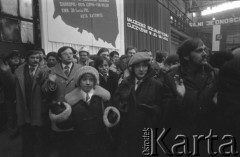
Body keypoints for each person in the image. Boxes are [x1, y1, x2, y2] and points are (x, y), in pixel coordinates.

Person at [49, 66, 120, 157]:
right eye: (84, 79)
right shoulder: (71, 100)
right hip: (79, 143)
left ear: (95, 82)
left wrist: (113, 117)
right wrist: (61, 116)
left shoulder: (103, 98)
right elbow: (68, 125)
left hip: (101, 142)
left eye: (91, 80)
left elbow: (111, 118)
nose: (88, 83)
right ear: (79, 81)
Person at [113, 52, 164, 157]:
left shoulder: (156, 85)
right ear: (132, 68)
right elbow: (115, 104)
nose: (141, 69)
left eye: (144, 66)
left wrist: (152, 110)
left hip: (146, 130)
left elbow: (161, 109)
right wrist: (122, 103)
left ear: (148, 67)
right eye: (138, 66)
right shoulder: (125, 83)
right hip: (126, 131)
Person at [164, 38, 218, 138]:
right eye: (199, 51)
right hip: (183, 137)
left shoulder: (214, 74)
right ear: (186, 56)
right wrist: (180, 99)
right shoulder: (172, 78)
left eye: (204, 50)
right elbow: (166, 114)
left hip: (209, 136)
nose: (205, 54)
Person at [1, 50, 50, 157]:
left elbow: (48, 90)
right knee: (27, 135)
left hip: (39, 107)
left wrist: (47, 83)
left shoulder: (46, 70)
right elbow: (12, 84)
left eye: (37, 58)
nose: (35, 60)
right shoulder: (19, 70)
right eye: (33, 58)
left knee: (41, 136)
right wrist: (6, 72)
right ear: (27, 59)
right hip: (25, 107)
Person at [42, 46, 82, 157]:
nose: (69, 55)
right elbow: (45, 91)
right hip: (59, 110)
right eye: (65, 54)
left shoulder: (81, 68)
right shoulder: (52, 70)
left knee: (76, 139)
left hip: (76, 108)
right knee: (61, 141)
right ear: (59, 56)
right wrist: (51, 83)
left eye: (71, 53)